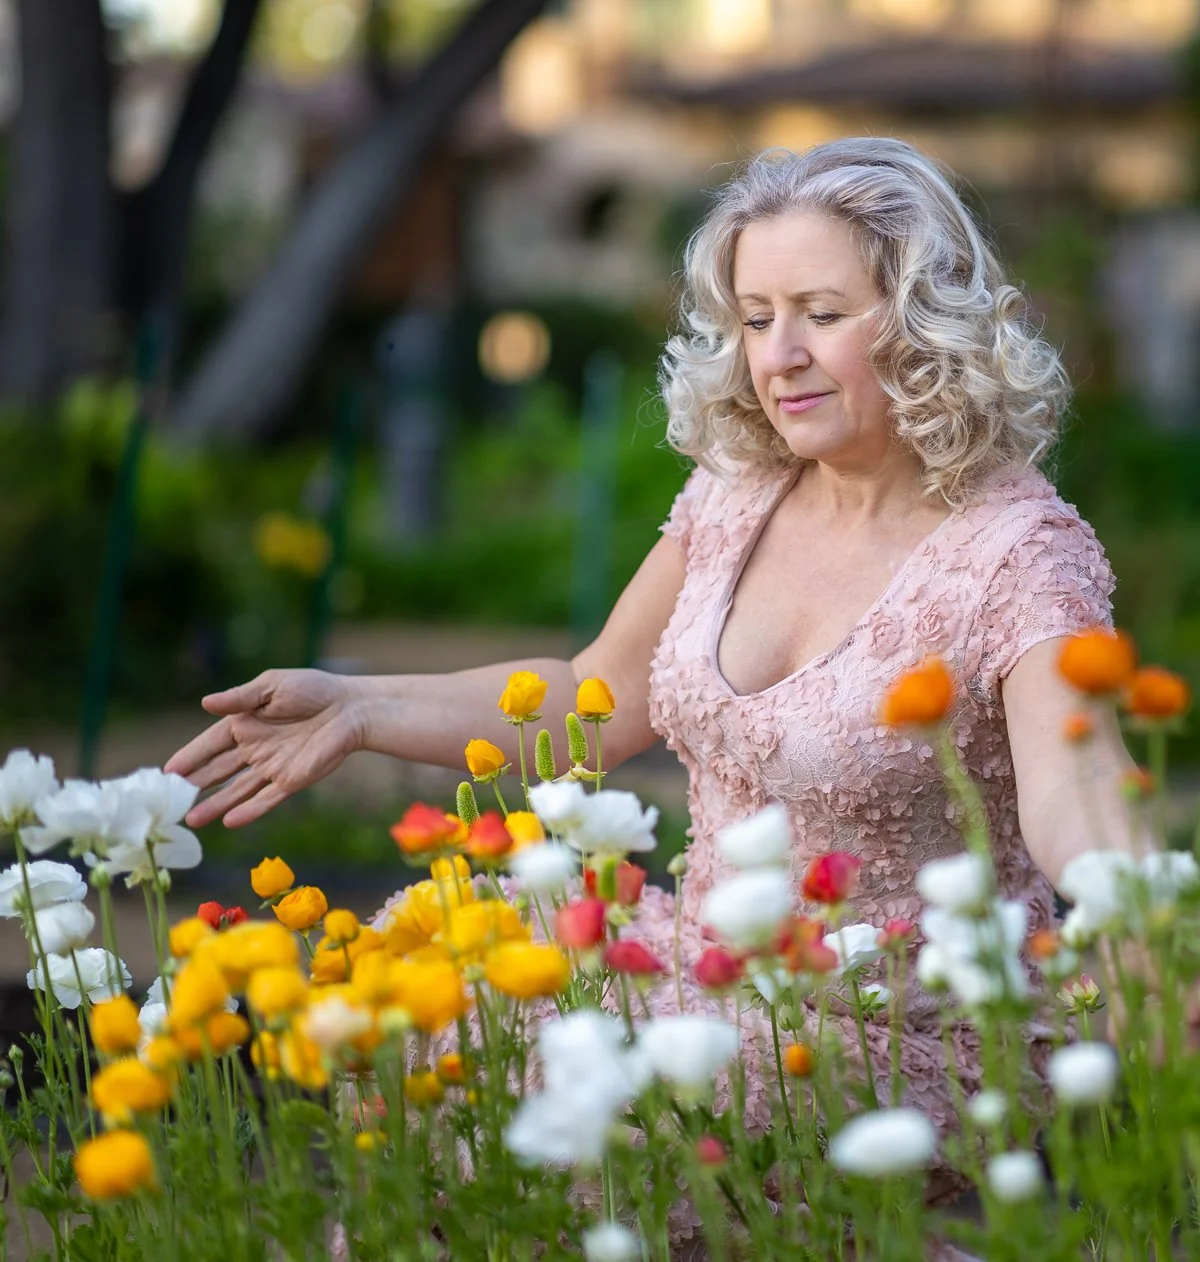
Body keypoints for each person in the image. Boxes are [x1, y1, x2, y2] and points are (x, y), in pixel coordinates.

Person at [166, 138, 1138, 1221]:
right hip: (707, 966)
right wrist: (361, 706)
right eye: (758, 317)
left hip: (902, 1014)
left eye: (821, 310)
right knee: (442, 1014)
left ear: (920, 319)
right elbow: (593, 700)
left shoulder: (1018, 551)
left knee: (586, 1121)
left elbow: (1078, 786)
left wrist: (1147, 921)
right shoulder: (737, 494)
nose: (782, 355)